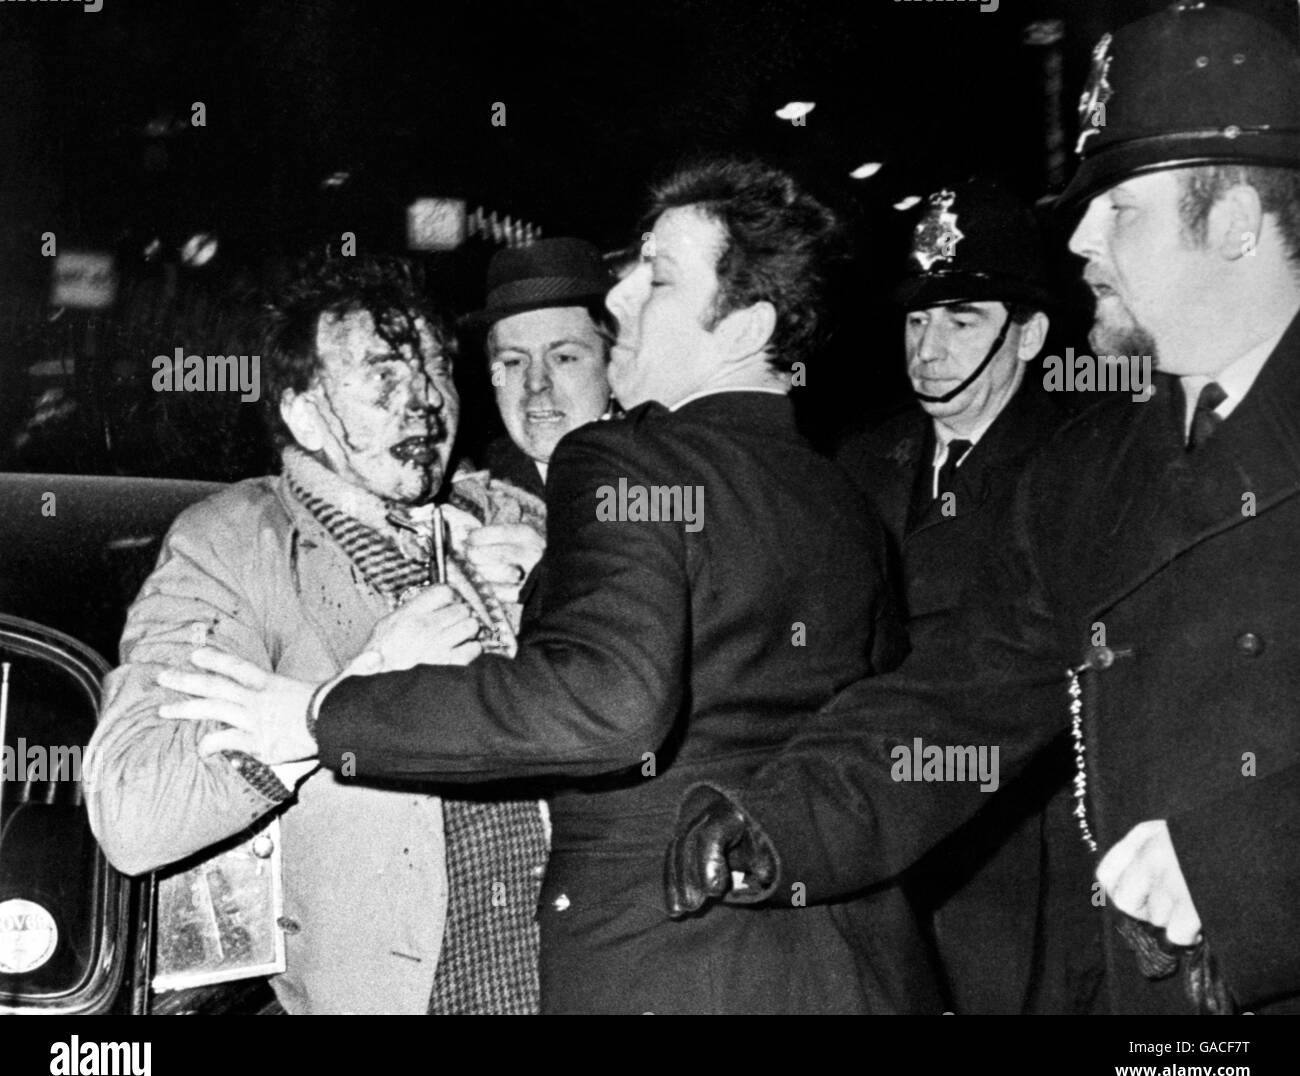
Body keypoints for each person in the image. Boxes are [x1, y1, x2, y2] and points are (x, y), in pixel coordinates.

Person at [155, 156, 943, 1015]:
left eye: (658, 279)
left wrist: (319, 713)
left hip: (673, 971)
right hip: (853, 972)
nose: (621, 300)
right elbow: (860, 737)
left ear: (746, 326)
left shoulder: (618, 459)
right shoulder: (845, 499)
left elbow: (609, 701)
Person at [665, 2, 1300, 1016]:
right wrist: (784, 816)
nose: (1082, 237)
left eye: (1120, 208)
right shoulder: (1086, 473)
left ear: (1231, 228)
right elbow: (964, 698)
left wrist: (1245, 871)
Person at [85, 254, 550, 1014]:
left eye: (437, 369)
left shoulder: (507, 523)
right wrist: (353, 689)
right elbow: (135, 811)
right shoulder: (234, 546)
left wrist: (557, 589)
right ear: (303, 414)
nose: (426, 403)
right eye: (384, 377)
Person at [838, 180, 1096, 1014]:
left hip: (1021, 858)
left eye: (961, 320)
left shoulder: (1076, 463)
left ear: (1027, 337)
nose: (928, 348)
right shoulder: (857, 463)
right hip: (879, 835)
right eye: (917, 320)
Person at [466, 237, 616, 499]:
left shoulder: (669, 479)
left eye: (564, 358)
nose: (535, 382)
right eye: (513, 361)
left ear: (614, 368)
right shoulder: (472, 493)